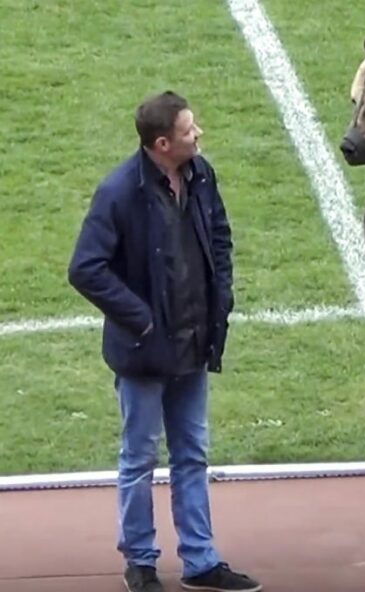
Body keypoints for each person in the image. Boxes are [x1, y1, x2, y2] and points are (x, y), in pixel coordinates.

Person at [68, 91, 262, 592]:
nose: (198, 135)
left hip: (195, 343)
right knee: (139, 458)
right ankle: (140, 561)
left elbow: (218, 234)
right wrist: (143, 319)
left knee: (192, 454)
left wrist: (222, 295)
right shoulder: (118, 194)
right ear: (162, 143)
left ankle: (200, 560)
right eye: (189, 130)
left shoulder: (201, 175)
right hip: (145, 351)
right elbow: (85, 268)